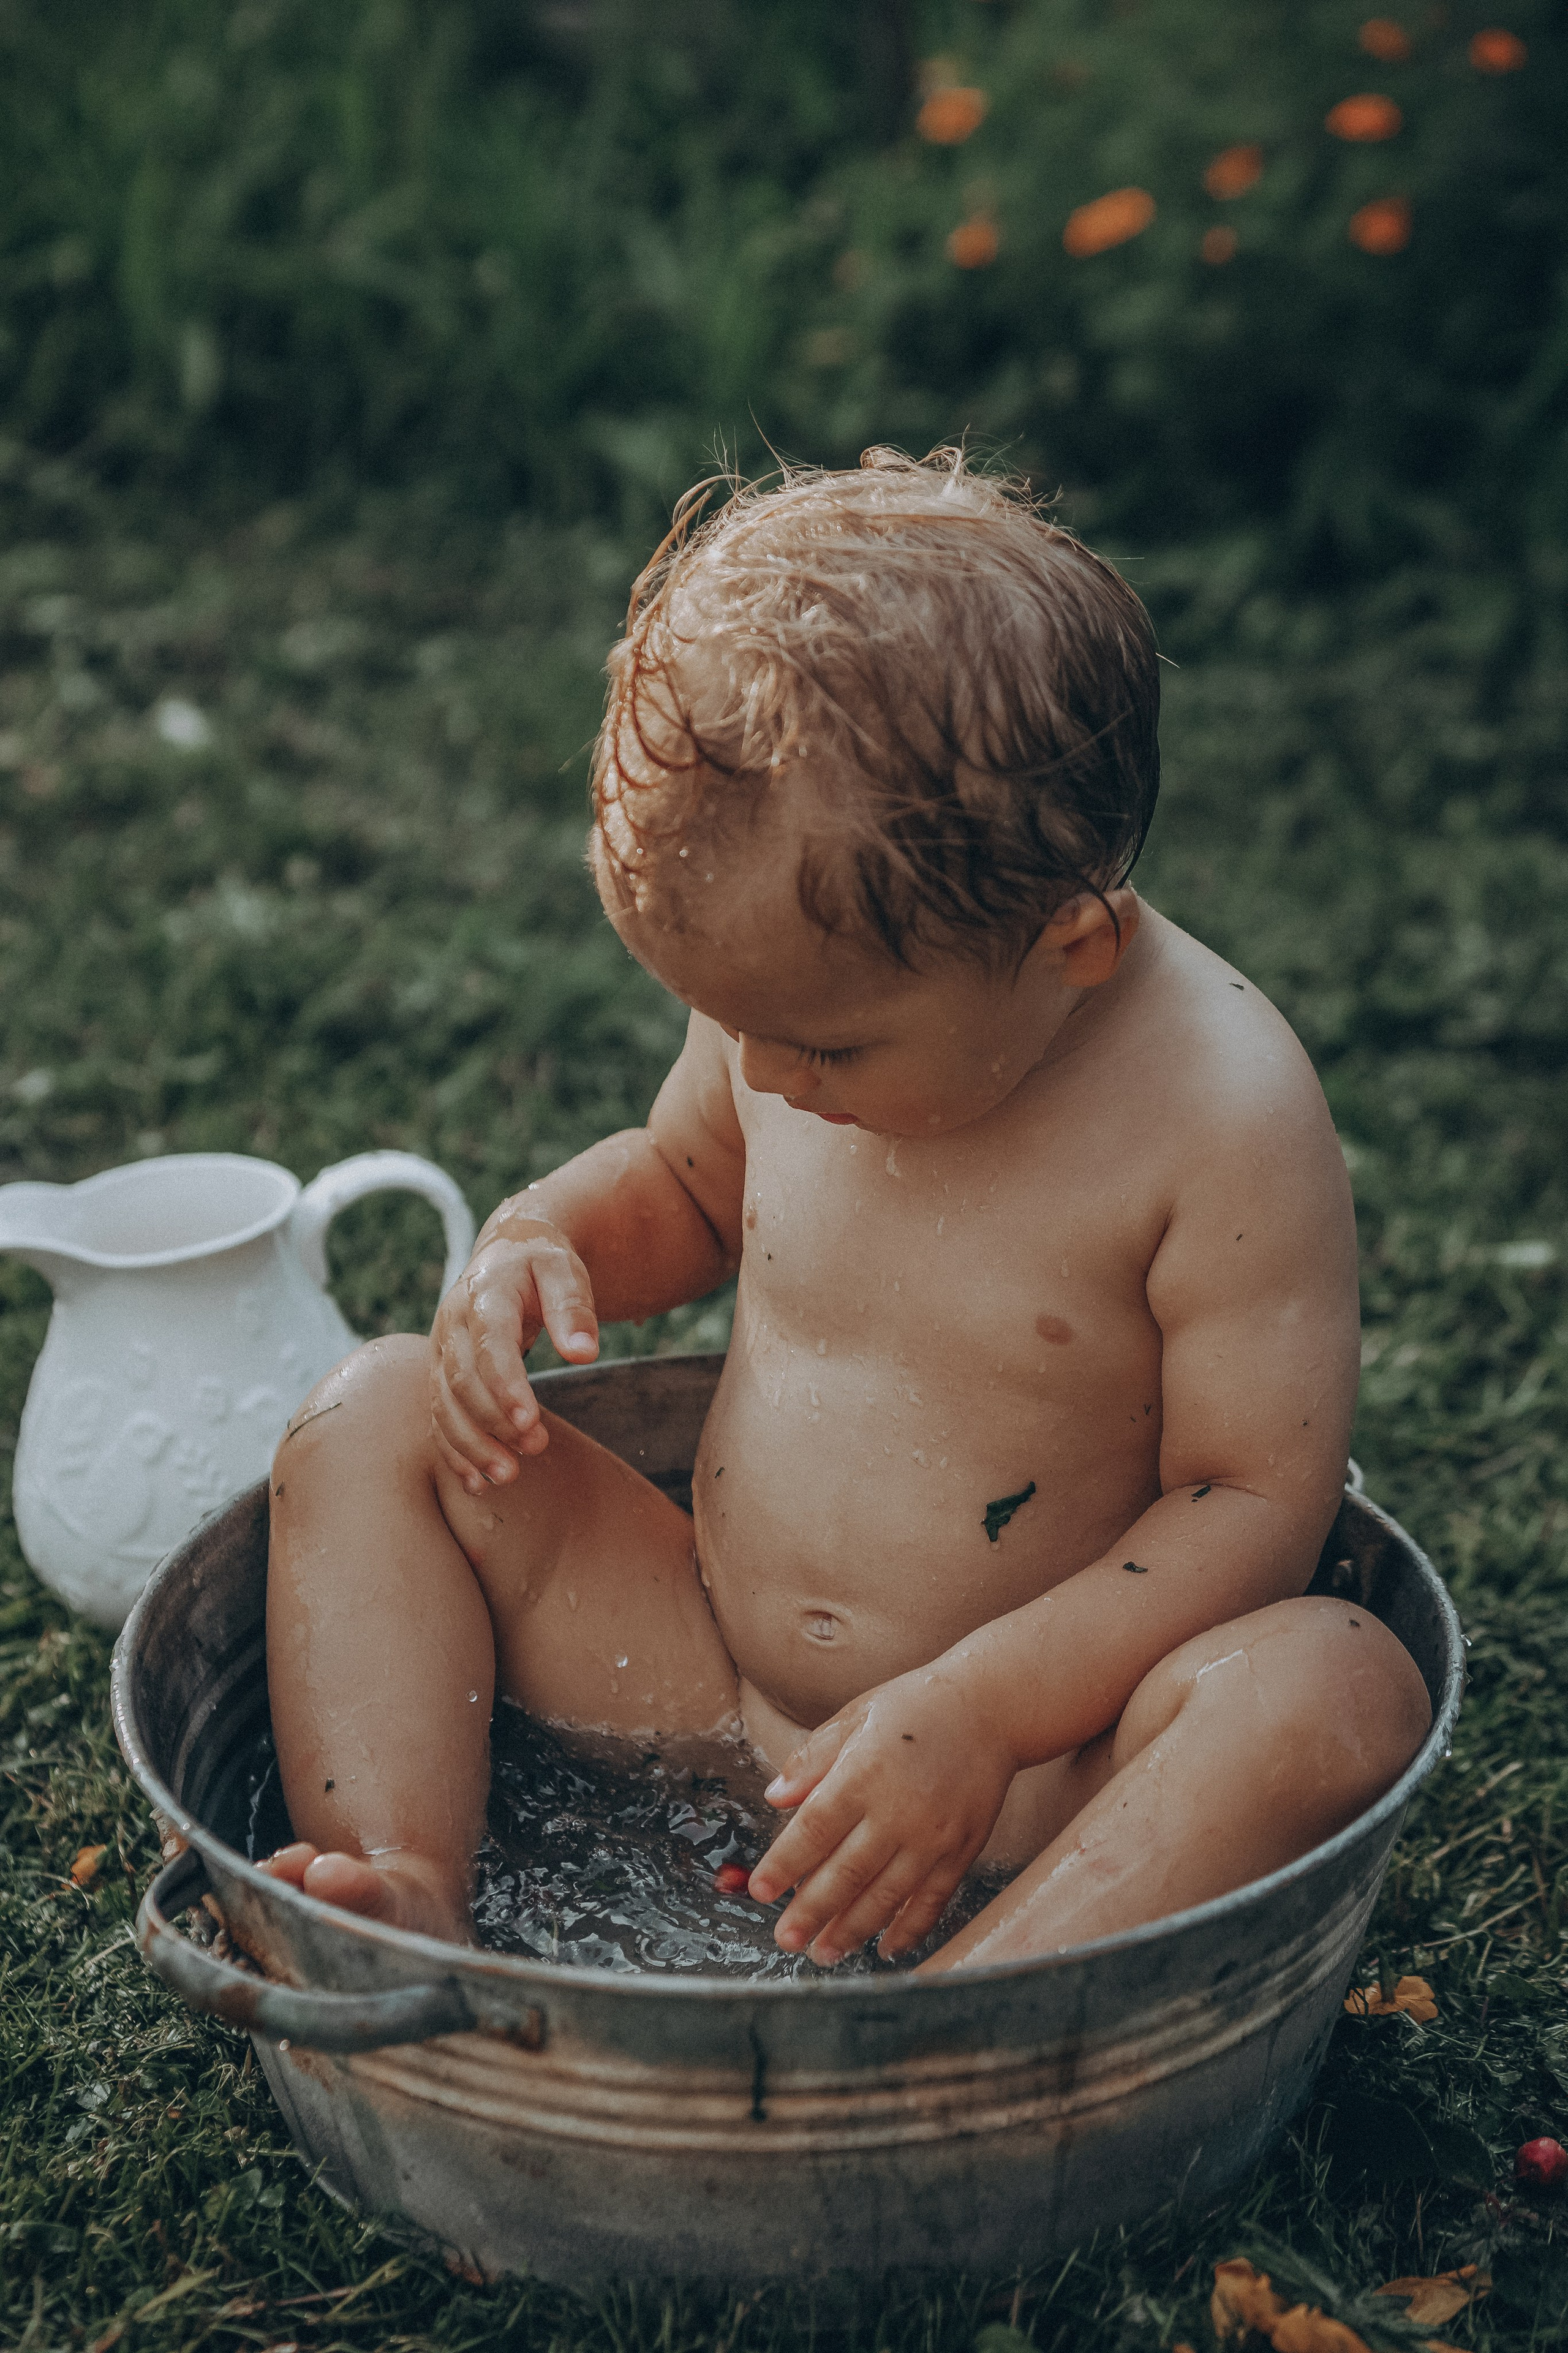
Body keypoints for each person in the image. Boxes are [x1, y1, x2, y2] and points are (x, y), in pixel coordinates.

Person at [262, 450, 1429, 1970]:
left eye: (820, 1043)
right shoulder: (805, 988)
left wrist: (981, 1711)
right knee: (376, 1411)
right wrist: (542, 1232)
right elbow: (684, 1182)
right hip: (688, 1669)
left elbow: (1252, 1505)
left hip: (1028, 1773)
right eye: (723, 1020)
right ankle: (403, 1887)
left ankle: (960, 2023)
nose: (757, 1071)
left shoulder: (1220, 1117)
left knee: (1333, 1684)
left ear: (1067, 944)